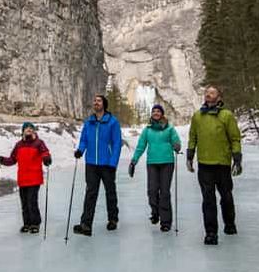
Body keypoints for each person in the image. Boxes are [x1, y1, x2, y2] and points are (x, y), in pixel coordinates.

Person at [186, 86, 243, 245]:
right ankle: (211, 233)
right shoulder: (197, 116)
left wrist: (237, 157)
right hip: (204, 164)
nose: (207, 95)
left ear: (219, 97)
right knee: (208, 200)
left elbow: (235, 138)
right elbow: (192, 137)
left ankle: (229, 223)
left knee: (226, 197)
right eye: (206, 93)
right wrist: (190, 155)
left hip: (222, 163)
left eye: (211, 93)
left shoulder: (227, 115)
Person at [72, 94, 122, 236]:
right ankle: (86, 224)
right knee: (90, 193)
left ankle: (113, 219)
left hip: (107, 164)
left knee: (110, 192)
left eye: (99, 101)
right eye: (94, 101)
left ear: (104, 104)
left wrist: (113, 162)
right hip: (91, 164)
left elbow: (117, 143)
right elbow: (84, 140)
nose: (96, 103)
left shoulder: (112, 122)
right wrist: (80, 151)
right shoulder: (89, 122)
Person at [128, 104, 182, 232]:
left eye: (158, 111)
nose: (156, 113)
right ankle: (155, 212)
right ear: (151, 114)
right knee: (152, 191)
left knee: (164, 192)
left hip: (167, 162)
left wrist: (176, 145)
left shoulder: (169, 128)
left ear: (162, 114)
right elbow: (141, 146)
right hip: (152, 163)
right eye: (154, 111)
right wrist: (133, 161)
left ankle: (166, 221)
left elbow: (177, 141)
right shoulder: (147, 130)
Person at [0, 122, 52, 234]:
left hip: (34, 178)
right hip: (23, 179)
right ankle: (27, 223)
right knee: (24, 203)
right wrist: (3, 160)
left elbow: (45, 152)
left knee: (32, 201)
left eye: (31, 128)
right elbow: (12, 159)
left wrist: (46, 159)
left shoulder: (39, 143)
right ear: (23, 131)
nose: (29, 129)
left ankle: (35, 223)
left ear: (34, 131)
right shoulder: (19, 145)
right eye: (26, 128)